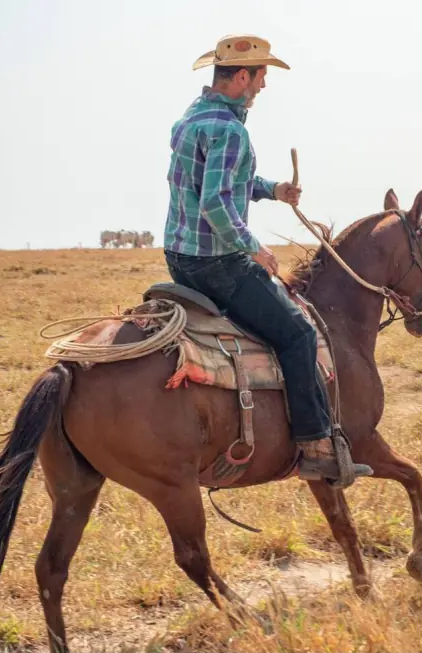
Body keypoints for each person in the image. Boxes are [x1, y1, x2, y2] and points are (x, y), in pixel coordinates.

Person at [162, 34, 372, 483]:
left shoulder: (191, 120)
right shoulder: (231, 131)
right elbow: (216, 204)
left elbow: (226, 178)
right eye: (260, 76)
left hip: (180, 258)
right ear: (242, 76)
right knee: (297, 334)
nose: (263, 86)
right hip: (218, 262)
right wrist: (253, 247)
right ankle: (315, 445)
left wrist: (272, 189)